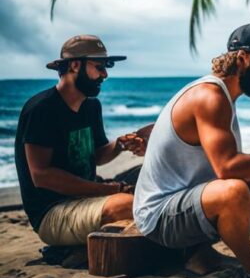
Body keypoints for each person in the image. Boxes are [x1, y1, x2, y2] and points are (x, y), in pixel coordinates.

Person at [133, 22, 250, 278]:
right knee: (234, 191)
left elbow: (230, 162)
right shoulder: (210, 96)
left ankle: (206, 253)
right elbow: (229, 169)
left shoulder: (222, 95)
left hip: (185, 202)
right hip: (160, 216)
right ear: (243, 58)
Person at [15, 35, 151, 247]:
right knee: (127, 205)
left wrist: (122, 144)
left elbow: (96, 155)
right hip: (53, 212)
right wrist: (110, 189)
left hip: (88, 196)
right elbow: (42, 176)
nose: (105, 74)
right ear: (75, 65)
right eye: (99, 67)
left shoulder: (90, 106)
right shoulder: (41, 109)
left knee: (155, 176)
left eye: (107, 67)